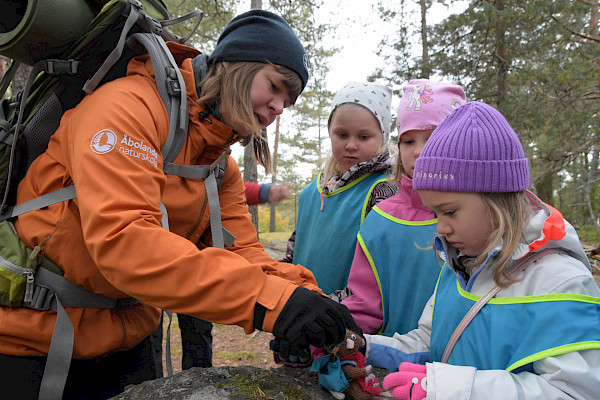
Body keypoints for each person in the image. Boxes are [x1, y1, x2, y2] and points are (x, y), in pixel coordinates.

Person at [0, 9, 360, 399]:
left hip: (128, 344)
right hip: (35, 341)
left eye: (287, 102)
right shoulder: (126, 108)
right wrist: (274, 304)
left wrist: (311, 301)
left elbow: (243, 253)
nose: (278, 108)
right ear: (234, 64)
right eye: (275, 86)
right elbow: (125, 242)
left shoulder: (220, 168)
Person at [365, 101, 600, 400]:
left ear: (496, 199)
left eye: (449, 212)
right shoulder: (461, 265)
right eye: (436, 214)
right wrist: (364, 346)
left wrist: (450, 388)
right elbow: (430, 342)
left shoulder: (559, 281)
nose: (440, 228)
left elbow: (576, 391)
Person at [341, 80, 466, 336]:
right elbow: (364, 305)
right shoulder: (381, 219)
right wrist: (344, 341)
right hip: (393, 362)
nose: (418, 152)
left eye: (431, 138)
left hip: (464, 368)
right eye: (408, 142)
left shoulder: (480, 216)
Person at [282, 81, 398, 296]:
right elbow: (295, 248)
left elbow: (380, 271)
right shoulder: (312, 192)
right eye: (342, 135)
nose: (351, 145)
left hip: (343, 317)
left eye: (364, 137)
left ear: (382, 137)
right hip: (296, 310)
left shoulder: (383, 191)